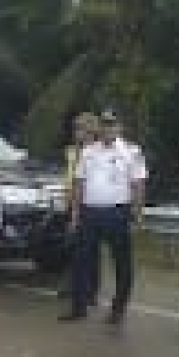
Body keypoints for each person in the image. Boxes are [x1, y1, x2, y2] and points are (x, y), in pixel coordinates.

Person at [60, 108, 147, 328]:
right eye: (105, 124)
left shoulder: (131, 151)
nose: (108, 129)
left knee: (122, 263)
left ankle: (118, 309)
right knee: (81, 261)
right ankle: (78, 307)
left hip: (117, 212)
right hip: (90, 212)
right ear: (100, 127)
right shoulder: (88, 151)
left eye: (112, 124)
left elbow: (138, 184)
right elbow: (79, 183)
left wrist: (137, 215)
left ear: (119, 127)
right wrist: (75, 214)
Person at [60, 112, 101, 303]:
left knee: (90, 249)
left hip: (89, 204)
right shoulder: (72, 151)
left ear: (91, 131)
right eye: (76, 128)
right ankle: (73, 284)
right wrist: (67, 197)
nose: (77, 132)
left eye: (81, 128)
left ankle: (91, 290)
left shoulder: (97, 152)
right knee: (73, 246)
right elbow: (69, 177)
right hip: (72, 202)